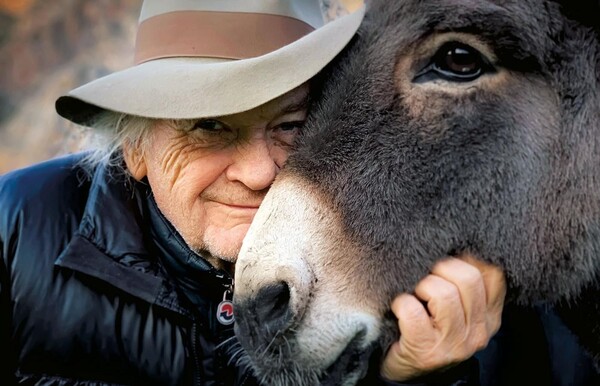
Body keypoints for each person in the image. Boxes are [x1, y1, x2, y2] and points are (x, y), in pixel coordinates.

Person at [1, 0, 587, 385]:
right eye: (209, 126)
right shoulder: (15, 230)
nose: (258, 172)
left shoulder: (456, 288)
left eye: (292, 126)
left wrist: (418, 377)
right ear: (136, 149)